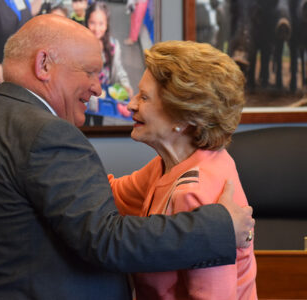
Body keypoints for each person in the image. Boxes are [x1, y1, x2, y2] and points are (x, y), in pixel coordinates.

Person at [0, 15, 254, 299]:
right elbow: (106, 238)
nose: (98, 89)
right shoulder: (43, 133)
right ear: (44, 64)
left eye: (144, 96)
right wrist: (221, 227)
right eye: (89, 72)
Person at [109, 40, 257, 299]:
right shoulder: (171, 165)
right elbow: (112, 197)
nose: (131, 104)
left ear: (184, 118)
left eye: (144, 97)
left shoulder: (196, 190)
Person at [84, 1, 134, 126]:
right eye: (92, 23)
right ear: (86, 22)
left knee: (98, 125)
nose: (97, 28)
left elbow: (119, 69)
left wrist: (126, 85)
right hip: (84, 96)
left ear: (107, 25)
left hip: (103, 97)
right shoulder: (80, 45)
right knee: (82, 125)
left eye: (101, 23)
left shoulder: (113, 46)